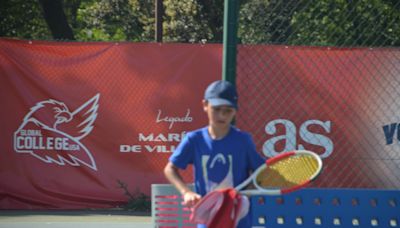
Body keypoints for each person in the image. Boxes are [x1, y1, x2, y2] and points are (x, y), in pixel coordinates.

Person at [164, 80, 266, 228]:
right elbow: (170, 169)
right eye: (216, 109)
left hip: (239, 220)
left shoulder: (243, 141)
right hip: (208, 219)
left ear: (235, 111)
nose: (221, 115)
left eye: (227, 111)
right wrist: (186, 192)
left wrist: (246, 193)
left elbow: (261, 172)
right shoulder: (194, 140)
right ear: (205, 105)